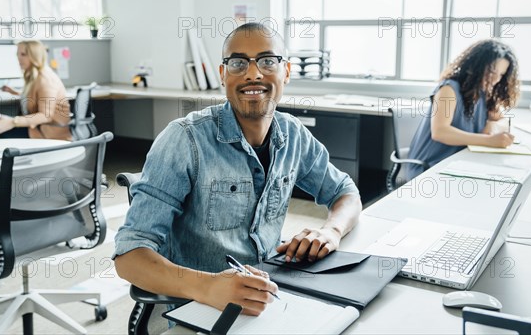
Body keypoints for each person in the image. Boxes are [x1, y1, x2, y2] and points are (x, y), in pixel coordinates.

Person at [113, 23, 362, 317]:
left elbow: (345, 192)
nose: (253, 73)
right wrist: (208, 287)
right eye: (238, 62)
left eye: (268, 61)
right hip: (201, 306)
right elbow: (129, 256)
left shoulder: (293, 134)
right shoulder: (184, 140)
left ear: (287, 72)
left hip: (271, 294)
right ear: (223, 74)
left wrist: (331, 231)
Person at [404, 39, 520, 181]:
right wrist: (488, 140)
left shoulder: (483, 92)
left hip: (459, 164)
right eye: (491, 71)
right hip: (429, 168)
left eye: (501, 75)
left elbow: (503, 120)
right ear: (476, 65)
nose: (495, 79)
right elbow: (440, 132)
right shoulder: (448, 89)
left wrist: (492, 125)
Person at [0, 40, 71, 140]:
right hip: (37, 128)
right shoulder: (36, 75)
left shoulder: (45, 79)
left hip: (47, 133)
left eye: (23, 54)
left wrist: (13, 122)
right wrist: (13, 92)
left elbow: (45, 116)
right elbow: (38, 97)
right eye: (17, 54)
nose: (18, 58)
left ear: (35, 55)